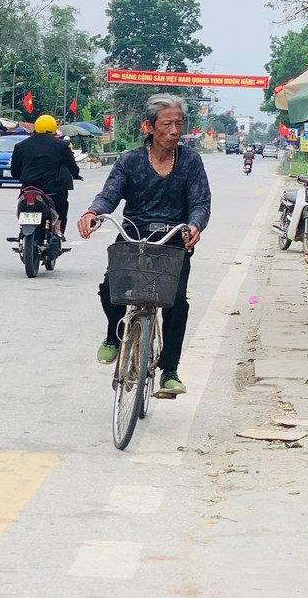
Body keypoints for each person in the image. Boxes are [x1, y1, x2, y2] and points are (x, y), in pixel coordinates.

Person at [77, 93, 211, 398]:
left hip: (173, 241)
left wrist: (194, 225)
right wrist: (93, 213)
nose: (175, 130)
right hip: (133, 238)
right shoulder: (130, 161)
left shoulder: (190, 161)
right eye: (167, 124)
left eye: (179, 123)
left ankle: (170, 372)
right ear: (149, 127)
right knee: (110, 288)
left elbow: (201, 202)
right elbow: (108, 195)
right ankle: (113, 335)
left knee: (177, 302)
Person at [9, 113, 82, 243]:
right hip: (53, 190)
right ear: (54, 129)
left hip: (29, 188)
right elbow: (71, 166)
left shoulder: (21, 146)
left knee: (24, 204)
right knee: (62, 203)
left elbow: (15, 171)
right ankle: (58, 229)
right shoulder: (61, 146)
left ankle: (22, 230)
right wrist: (76, 175)